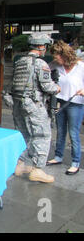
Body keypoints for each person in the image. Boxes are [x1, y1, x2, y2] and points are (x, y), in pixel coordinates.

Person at [12, 33, 61, 183]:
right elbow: (47, 86)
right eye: (45, 46)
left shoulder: (20, 62)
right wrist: (57, 88)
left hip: (18, 104)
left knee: (25, 134)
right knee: (43, 135)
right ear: (41, 47)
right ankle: (38, 170)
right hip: (34, 105)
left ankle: (19, 165)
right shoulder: (40, 64)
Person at [46, 41, 84, 175]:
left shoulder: (80, 67)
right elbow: (44, 71)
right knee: (60, 131)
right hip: (60, 102)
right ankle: (58, 156)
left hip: (76, 103)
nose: (55, 59)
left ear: (65, 55)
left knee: (73, 133)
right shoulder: (55, 65)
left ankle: (75, 162)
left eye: (57, 56)